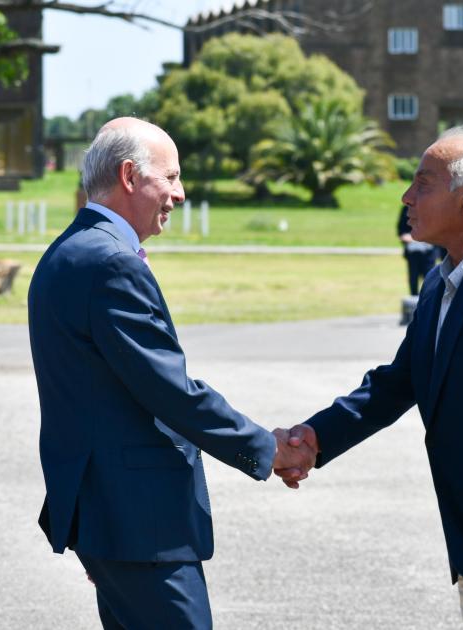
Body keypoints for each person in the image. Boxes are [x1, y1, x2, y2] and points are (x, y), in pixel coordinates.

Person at [28, 117, 315, 630]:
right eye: (172, 177)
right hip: (138, 522)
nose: (179, 194)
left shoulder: (68, 252)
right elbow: (170, 391)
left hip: (110, 515)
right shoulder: (110, 264)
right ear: (130, 176)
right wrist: (267, 448)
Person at [278, 125, 463, 630]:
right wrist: (316, 438)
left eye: (423, 184)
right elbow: (398, 382)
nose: (407, 197)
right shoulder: (441, 278)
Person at [398, 204, 438, 295]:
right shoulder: (406, 209)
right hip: (413, 251)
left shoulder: (433, 208)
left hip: (429, 250)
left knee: (429, 278)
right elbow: (401, 229)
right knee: (413, 278)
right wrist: (405, 236)